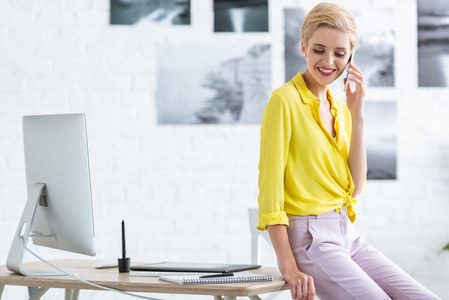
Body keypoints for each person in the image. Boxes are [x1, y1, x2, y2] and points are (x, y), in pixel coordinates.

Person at [257, 2, 441, 300]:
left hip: (346, 234)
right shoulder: (284, 101)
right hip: (309, 240)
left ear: (351, 57)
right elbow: (269, 194)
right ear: (303, 47)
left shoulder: (341, 108)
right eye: (318, 50)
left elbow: (354, 187)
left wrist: (357, 113)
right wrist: (288, 266)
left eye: (340, 53)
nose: (328, 61)